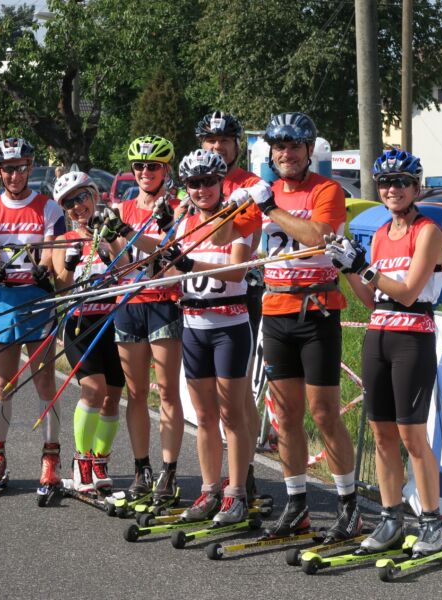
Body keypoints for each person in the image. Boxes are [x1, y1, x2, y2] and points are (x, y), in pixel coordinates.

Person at [326, 149, 442, 556]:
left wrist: (367, 267)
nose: (392, 189)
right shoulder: (380, 234)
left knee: (412, 436)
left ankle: (431, 523)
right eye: (385, 183)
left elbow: (410, 293)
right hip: (379, 333)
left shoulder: (427, 232)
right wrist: (348, 269)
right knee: (381, 434)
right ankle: (391, 517)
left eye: (400, 182)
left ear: (415, 187)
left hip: (413, 336)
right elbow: (372, 298)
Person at [249, 112, 361, 541]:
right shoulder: (265, 192)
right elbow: (226, 238)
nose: (287, 153)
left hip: (317, 311)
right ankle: (297, 505)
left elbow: (318, 236)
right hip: (276, 312)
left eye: (295, 146)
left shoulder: (326, 190)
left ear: (309, 149)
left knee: (324, 413)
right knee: (285, 417)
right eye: (279, 146)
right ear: (271, 153)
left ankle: (348, 504)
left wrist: (269, 208)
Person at [169, 149, 260, 523]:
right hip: (194, 326)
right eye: (194, 183)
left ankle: (236, 493)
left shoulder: (239, 219)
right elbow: (170, 269)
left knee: (231, 414)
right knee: (204, 416)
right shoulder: (183, 224)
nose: (202, 189)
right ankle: (209, 491)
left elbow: (236, 272)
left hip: (230, 326)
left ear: (222, 181)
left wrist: (190, 263)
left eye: (209, 181)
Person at [0, 137, 66, 490]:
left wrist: (43, 268)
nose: (15, 175)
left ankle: (51, 459)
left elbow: (48, 250)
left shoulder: (49, 208)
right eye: (9, 169)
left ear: (30, 167)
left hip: (37, 299)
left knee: (44, 381)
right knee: (3, 383)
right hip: (3, 300)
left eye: (21, 167)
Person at [100, 135, 184, 505]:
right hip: (128, 302)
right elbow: (121, 263)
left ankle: (169, 471)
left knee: (166, 391)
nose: (145, 172)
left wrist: (137, 239)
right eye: (139, 166)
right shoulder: (122, 208)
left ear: (166, 169)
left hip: (164, 301)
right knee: (135, 393)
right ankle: (141, 468)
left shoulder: (179, 208)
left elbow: (171, 259)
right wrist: (110, 240)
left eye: (153, 166)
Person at [196, 110, 268, 494]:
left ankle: (245, 471)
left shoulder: (250, 185)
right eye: (210, 141)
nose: (217, 147)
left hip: (242, 289)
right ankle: (219, 477)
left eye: (224, 141)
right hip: (198, 293)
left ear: (237, 145)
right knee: (213, 397)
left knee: (237, 393)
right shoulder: (197, 179)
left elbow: (232, 237)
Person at [51, 171, 126, 493]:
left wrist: (111, 247)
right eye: (69, 203)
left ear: (94, 196)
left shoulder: (110, 233)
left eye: (81, 197)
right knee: (93, 389)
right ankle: (81, 463)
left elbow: (128, 270)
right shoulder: (62, 241)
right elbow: (59, 285)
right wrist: (69, 265)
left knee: (113, 396)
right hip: (80, 324)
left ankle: (99, 460)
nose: (77, 206)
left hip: (113, 321)